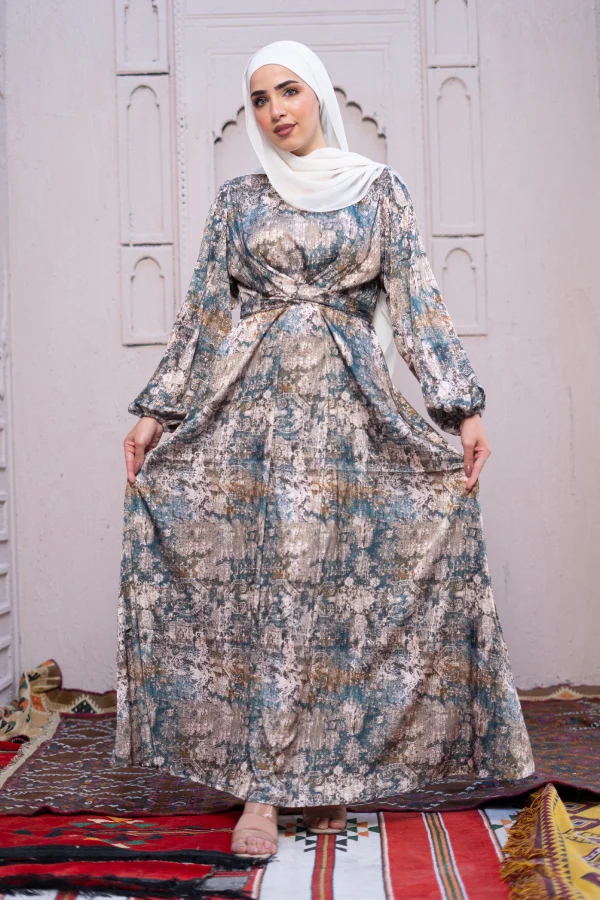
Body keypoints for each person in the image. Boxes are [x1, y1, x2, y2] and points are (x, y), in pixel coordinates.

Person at [110, 40, 535, 860]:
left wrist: (464, 411)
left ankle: (329, 770)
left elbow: (417, 303)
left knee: (341, 593)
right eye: (260, 98)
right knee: (266, 592)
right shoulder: (239, 200)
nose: (275, 110)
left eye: (289, 91)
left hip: (351, 417)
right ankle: (264, 790)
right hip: (251, 417)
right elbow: (203, 316)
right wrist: (156, 414)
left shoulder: (378, 191)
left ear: (319, 95)